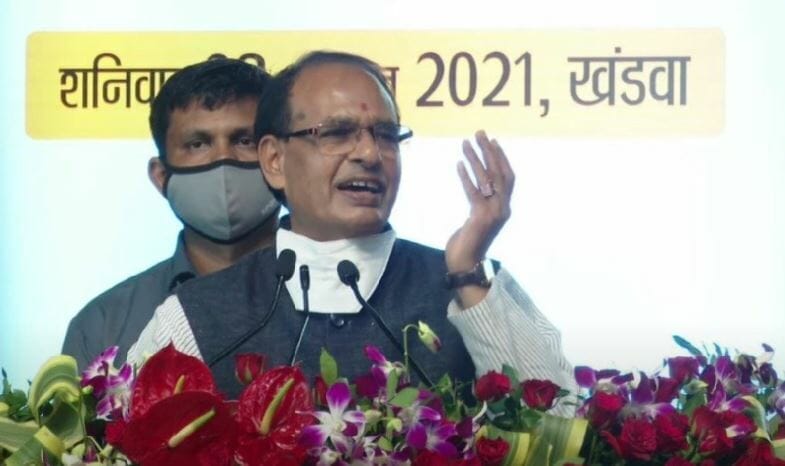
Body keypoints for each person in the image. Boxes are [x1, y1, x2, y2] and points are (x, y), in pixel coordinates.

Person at [128, 51, 575, 410]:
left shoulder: (470, 282)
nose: (369, 154)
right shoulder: (196, 314)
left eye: (386, 135)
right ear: (274, 160)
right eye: (337, 133)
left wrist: (467, 273)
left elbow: (562, 433)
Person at [62, 58, 280, 369]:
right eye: (198, 144)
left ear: (280, 160)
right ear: (161, 176)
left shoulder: (341, 299)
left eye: (244, 140)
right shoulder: (103, 325)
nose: (222, 159)